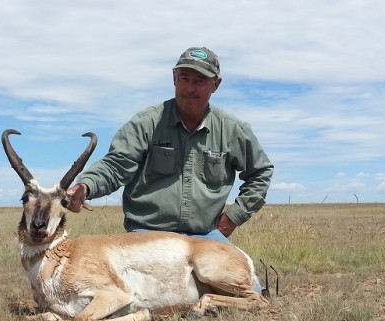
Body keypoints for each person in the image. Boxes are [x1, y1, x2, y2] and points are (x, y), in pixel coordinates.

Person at [67, 47, 273, 243]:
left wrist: (233, 218)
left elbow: (260, 172)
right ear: (174, 78)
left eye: (200, 81)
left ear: (215, 85)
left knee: (247, 281)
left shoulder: (232, 129)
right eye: (184, 79)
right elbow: (116, 165)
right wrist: (86, 185)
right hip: (147, 234)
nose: (189, 88)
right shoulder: (146, 123)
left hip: (206, 236)